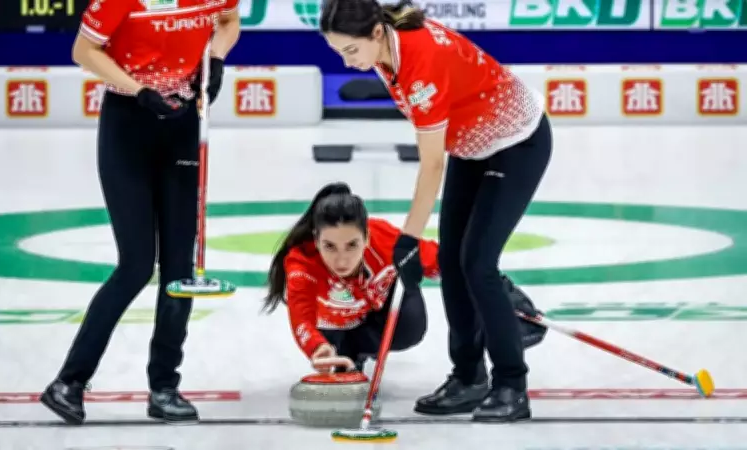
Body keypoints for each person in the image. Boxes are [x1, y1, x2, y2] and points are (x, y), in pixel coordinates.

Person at [319, 0, 553, 422]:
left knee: (477, 263)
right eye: (339, 53)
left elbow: (431, 164)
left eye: (350, 51)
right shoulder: (384, 43)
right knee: (450, 259)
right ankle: (468, 377)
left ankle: (512, 386)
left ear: (374, 34)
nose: (347, 61)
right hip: (471, 142)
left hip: (517, 144)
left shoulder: (418, 63)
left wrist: (408, 239)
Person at [39, 0, 241, 425]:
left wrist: (216, 58)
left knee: (179, 271)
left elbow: (228, 20)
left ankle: (164, 389)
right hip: (128, 124)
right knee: (134, 265)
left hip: (183, 123)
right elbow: (83, 51)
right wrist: (140, 90)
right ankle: (69, 382)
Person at [262, 182, 547, 381]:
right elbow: (301, 318)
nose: (341, 260)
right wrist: (316, 347)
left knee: (410, 322)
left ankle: (363, 346)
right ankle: (345, 349)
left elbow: (446, 262)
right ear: (316, 240)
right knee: (335, 340)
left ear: (367, 237)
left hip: (378, 311)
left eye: (352, 245)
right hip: (335, 323)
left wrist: (499, 297)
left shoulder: (384, 240)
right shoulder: (301, 263)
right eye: (330, 247)